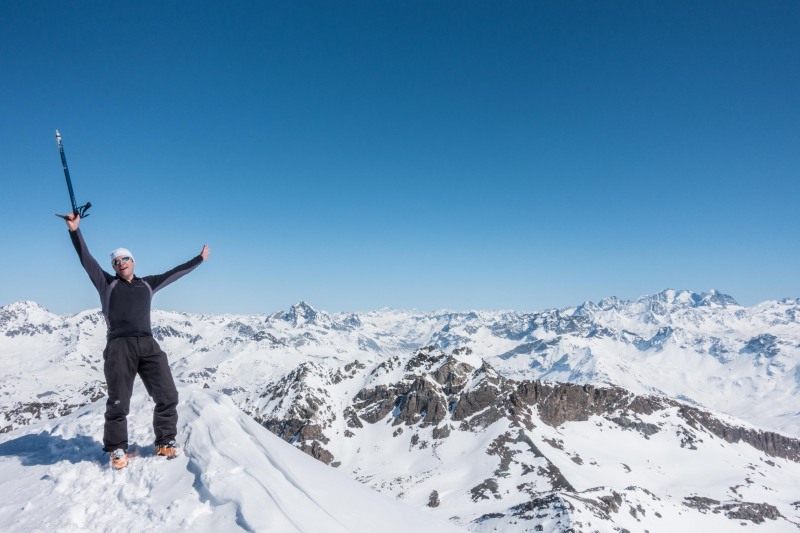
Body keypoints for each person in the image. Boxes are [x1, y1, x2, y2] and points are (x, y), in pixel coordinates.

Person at [64, 213, 210, 469]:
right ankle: (117, 448)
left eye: (125, 258)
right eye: (116, 261)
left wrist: (199, 259)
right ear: (113, 267)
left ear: (133, 261)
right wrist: (75, 232)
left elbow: (176, 273)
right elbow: (86, 260)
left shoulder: (148, 285)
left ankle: (165, 441)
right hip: (119, 346)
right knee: (119, 400)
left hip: (148, 344)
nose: (121, 263)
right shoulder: (107, 284)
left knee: (168, 395)